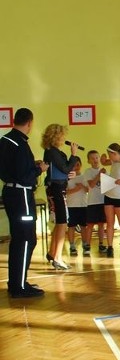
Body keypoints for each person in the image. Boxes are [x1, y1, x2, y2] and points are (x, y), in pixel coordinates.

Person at [0, 108, 48, 298]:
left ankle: (17, 282)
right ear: (29, 122)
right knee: (26, 239)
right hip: (22, 195)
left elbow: (12, 169)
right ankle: (18, 287)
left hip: (11, 192)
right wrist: (39, 169)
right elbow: (24, 175)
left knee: (19, 239)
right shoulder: (19, 143)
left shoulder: (5, 140)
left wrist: (31, 166)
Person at [42, 123, 80, 270]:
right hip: (56, 189)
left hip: (58, 186)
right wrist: (74, 155)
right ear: (56, 136)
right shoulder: (52, 152)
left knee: (59, 222)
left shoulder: (53, 152)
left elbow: (65, 170)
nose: (64, 138)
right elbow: (65, 167)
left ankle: (52, 253)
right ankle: (57, 257)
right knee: (63, 222)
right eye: (62, 135)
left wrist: (70, 174)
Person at [84, 150, 107, 253]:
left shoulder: (105, 171)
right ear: (89, 161)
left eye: (97, 157)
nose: (95, 160)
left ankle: (101, 245)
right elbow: (92, 184)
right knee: (90, 225)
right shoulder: (88, 172)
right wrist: (99, 175)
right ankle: (87, 245)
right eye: (92, 158)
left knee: (102, 224)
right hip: (92, 202)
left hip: (103, 201)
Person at [65, 159, 89, 256]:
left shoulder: (84, 177)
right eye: (74, 165)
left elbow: (88, 189)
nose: (76, 166)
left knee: (84, 226)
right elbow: (65, 192)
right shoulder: (68, 178)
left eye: (78, 164)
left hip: (83, 205)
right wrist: (76, 189)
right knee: (71, 226)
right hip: (71, 206)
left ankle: (85, 244)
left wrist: (82, 187)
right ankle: (72, 245)